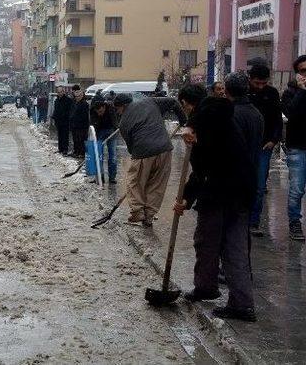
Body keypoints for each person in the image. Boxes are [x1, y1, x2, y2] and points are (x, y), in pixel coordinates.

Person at [174, 76, 261, 322]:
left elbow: (215, 109)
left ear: (186, 103)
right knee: (220, 243)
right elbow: (201, 169)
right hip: (238, 189)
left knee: (220, 244)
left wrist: (193, 128)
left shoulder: (212, 115)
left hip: (223, 191)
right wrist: (186, 199)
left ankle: (235, 302)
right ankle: (211, 289)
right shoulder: (218, 118)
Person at [114, 92, 186, 227]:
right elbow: (174, 102)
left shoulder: (123, 123)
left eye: (117, 109)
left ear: (123, 106)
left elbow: (131, 148)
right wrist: (183, 120)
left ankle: (137, 212)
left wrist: (137, 157)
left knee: (134, 183)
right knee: (157, 185)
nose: (118, 112)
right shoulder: (151, 101)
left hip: (142, 152)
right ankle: (149, 216)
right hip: (164, 149)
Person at [248, 64, 283, 236]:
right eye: (257, 83)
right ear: (250, 79)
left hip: (264, 146)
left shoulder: (272, 94)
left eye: (263, 83)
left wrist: (273, 140)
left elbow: (277, 118)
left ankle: (253, 221)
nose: (260, 87)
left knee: (259, 186)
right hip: (244, 145)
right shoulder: (244, 92)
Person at [281, 55, 306, 241]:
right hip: (297, 146)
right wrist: (302, 91)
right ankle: (294, 222)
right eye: (303, 71)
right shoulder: (290, 93)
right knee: (297, 188)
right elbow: (290, 112)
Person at [90, 96, 118, 183]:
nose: (99, 114)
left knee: (112, 156)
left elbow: (116, 122)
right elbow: (92, 124)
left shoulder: (111, 108)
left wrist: (116, 129)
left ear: (104, 107)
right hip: (99, 132)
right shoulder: (93, 110)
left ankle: (112, 178)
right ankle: (100, 177)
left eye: (101, 111)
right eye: (97, 112)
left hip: (111, 131)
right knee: (98, 155)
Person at [69, 85, 89, 158]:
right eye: (76, 96)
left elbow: (85, 116)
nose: (77, 98)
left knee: (81, 140)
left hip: (81, 126)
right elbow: (71, 112)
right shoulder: (74, 103)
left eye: (78, 96)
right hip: (74, 125)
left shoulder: (84, 104)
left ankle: (81, 153)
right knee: (75, 139)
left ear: (81, 96)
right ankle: (76, 151)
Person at [52, 86, 73, 155]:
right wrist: (54, 117)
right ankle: (60, 148)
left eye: (61, 92)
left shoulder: (68, 100)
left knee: (65, 136)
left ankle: (65, 149)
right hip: (58, 121)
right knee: (60, 135)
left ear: (63, 92)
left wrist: (67, 117)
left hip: (65, 121)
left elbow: (70, 111)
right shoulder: (56, 100)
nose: (59, 93)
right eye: (58, 92)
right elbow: (55, 110)